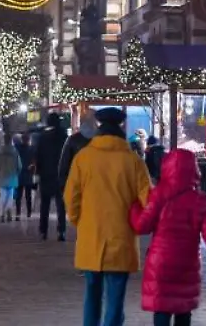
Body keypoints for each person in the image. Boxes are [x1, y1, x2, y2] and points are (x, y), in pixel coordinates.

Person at [65, 107, 151, 326]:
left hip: (91, 236)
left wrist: (79, 221)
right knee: (116, 297)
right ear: (121, 129)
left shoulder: (83, 158)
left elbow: (71, 196)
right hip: (121, 237)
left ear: (99, 128)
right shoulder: (133, 162)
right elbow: (148, 200)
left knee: (92, 292)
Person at [130, 149, 206, 325]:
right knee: (183, 311)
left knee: (162, 309)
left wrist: (135, 208)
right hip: (187, 266)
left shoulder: (158, 195)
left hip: (160, 265)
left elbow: (141, 226)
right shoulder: (200, 200)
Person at [35, 113, 68, 240]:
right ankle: (61, 230)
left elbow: (38, 155)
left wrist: (38, 171)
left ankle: (43, 230)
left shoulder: (43, 137)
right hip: (60, 174)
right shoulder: (64, 137)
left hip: (46, 174)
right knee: (61, 205)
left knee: (45, 204)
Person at [59, 111, 95, 189]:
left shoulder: (72, 140)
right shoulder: (102, 140)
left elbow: (64, 166)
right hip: (96, 187)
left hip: (77, 184)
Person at [0, 131, 22, 223]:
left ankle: (2, 214)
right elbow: (19, 165)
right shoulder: (15, 151)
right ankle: (9, 210)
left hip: (2, 175)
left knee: (2, 195)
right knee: (10, 195)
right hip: (12, 175)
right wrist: (17, 172)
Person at [14, 131, 35, 220]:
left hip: (19, 174)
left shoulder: (17, 148)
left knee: (18, 196)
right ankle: (29, 213)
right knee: (28, 195)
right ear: (29, 140)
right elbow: (34, 162)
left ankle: (18, 213)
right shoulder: (32, 149)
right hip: (28, 174)